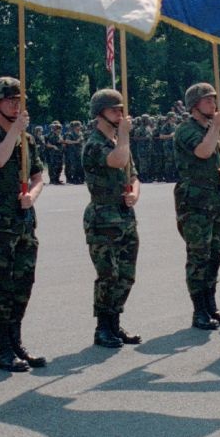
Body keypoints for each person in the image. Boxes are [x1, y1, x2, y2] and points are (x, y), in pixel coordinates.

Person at [0, 76, 48, 372]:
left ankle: (17, 341)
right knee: (2, 285)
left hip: (24, 221)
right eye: (9, 101)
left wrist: (32, 194)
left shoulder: (27, 139)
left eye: (19, 100)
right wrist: (14, 132)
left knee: (23, 283)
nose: (16, 106)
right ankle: (2, 348)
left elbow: (38, 176)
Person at [173, 82, 220, 330]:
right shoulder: (186, 130)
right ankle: (199, 310)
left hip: (217, 199)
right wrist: (217, 128)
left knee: (216, 254)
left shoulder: (216, 129)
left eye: (214, 99)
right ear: (194, 106)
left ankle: (212, 305)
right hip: (195, 201)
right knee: (198, 255)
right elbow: (203, 151)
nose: (213, 104)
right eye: (208, 100)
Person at [83, 88, 143, 349]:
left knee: (126, 275)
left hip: (124, 215)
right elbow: (119, 161)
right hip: (103, 217)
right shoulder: (95, 144)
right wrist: (125, 135)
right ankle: (103, 327)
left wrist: (134, 194)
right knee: (108, 274)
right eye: (114, 110)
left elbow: (133, 175)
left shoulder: (119, 141)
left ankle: (115, 323)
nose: (120, 114)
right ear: (100, 114)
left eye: (121, 109)